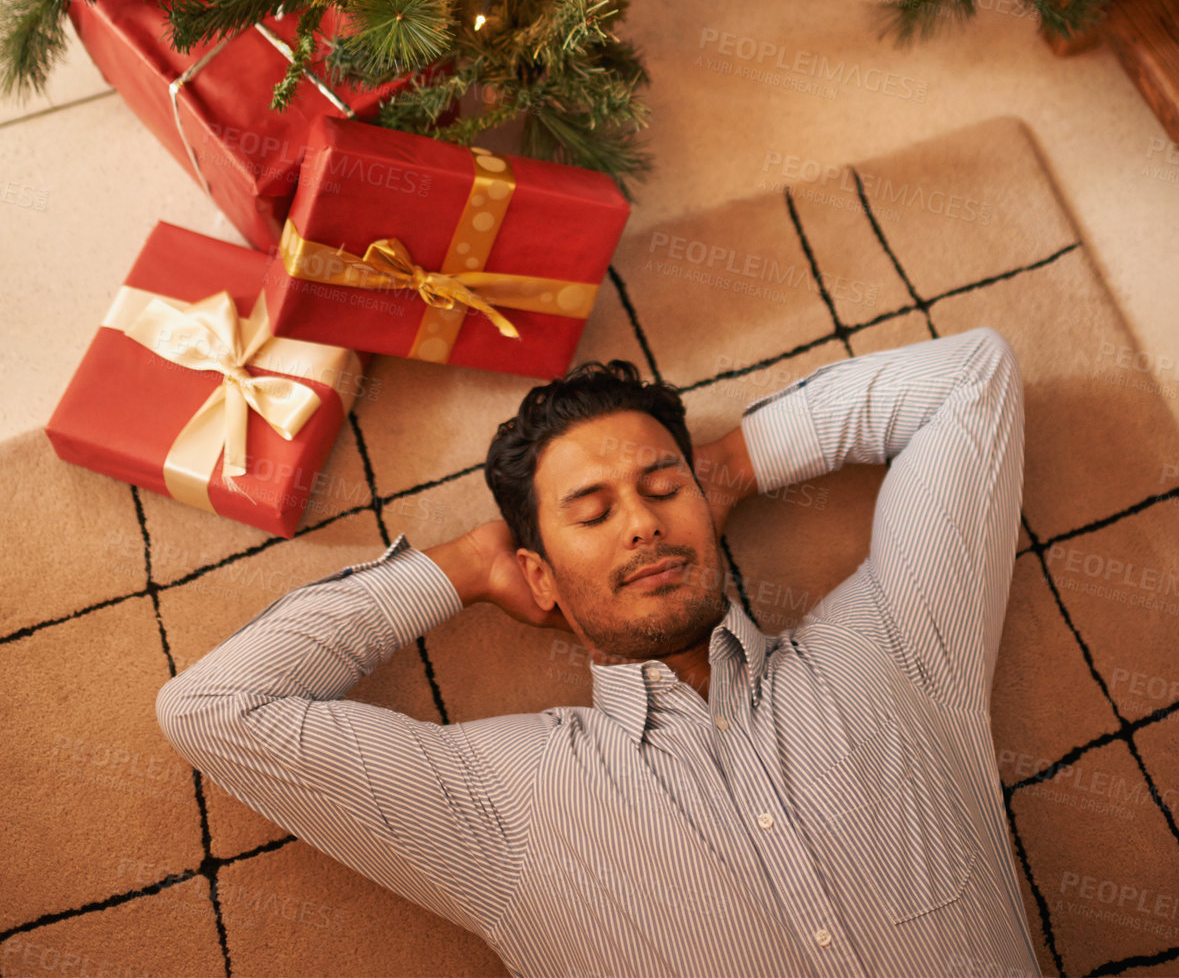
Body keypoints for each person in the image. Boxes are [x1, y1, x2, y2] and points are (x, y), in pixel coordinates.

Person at [156, 324, 1041, 978]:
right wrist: (461, 566)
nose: (644, 519)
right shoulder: (502, 799)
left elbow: (968, 379)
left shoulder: (893, 647)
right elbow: (214, 708)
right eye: (591, 513)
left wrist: (730, 464)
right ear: (537, 573)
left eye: (663, 487)